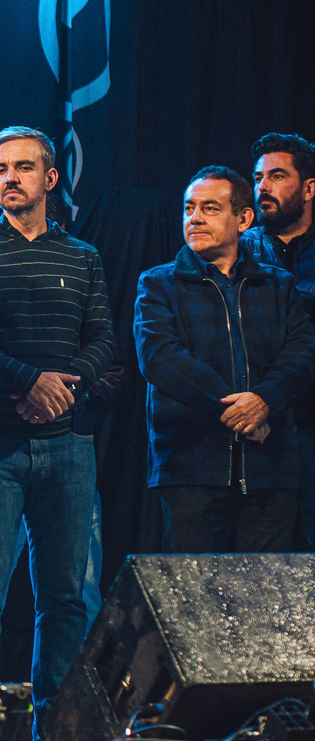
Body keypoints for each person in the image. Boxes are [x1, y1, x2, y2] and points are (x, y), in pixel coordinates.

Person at [0, 126, 114, 732]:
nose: (9, 178)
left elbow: (103, 340)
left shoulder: (82, 256)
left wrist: (60, 393)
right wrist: (30, 381)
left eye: (23, 167)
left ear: (50, 177)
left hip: (68, 447)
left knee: (65, 600)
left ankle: (58, 727)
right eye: (0, 168)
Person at [135, 165, 315, 553]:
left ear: (244, 219)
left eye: (210, 208)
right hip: (191, 465)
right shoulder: (158, 283)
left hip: (270, 467)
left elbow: (302, 353)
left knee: (263, 589)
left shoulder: (278, 283)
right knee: (194, 590)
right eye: (189, 208)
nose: (195, 218)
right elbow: (159, 357)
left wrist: (264, 401)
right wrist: (242, 413)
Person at [240, 134, 315, 546]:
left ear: (309, 188)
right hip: (264, 426)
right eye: (257, 178)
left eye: (277, 176)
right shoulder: (240, 251)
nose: (263, 186)